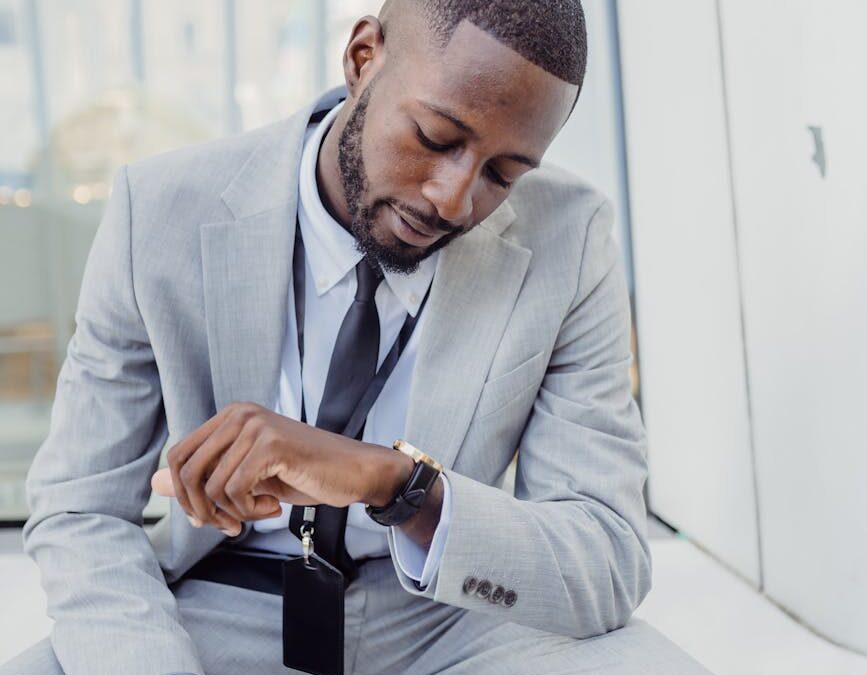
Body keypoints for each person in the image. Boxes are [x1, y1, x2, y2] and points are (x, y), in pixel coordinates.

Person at [2, 1, 711, 674]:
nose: (453, 198)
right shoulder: (157, 209)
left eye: (502, 173)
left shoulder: (571, 236)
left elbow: (606, 555)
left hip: (452, 619)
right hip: (223, 603)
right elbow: (81, 510)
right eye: (435, 137)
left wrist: (396, 483)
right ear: (362, 57)